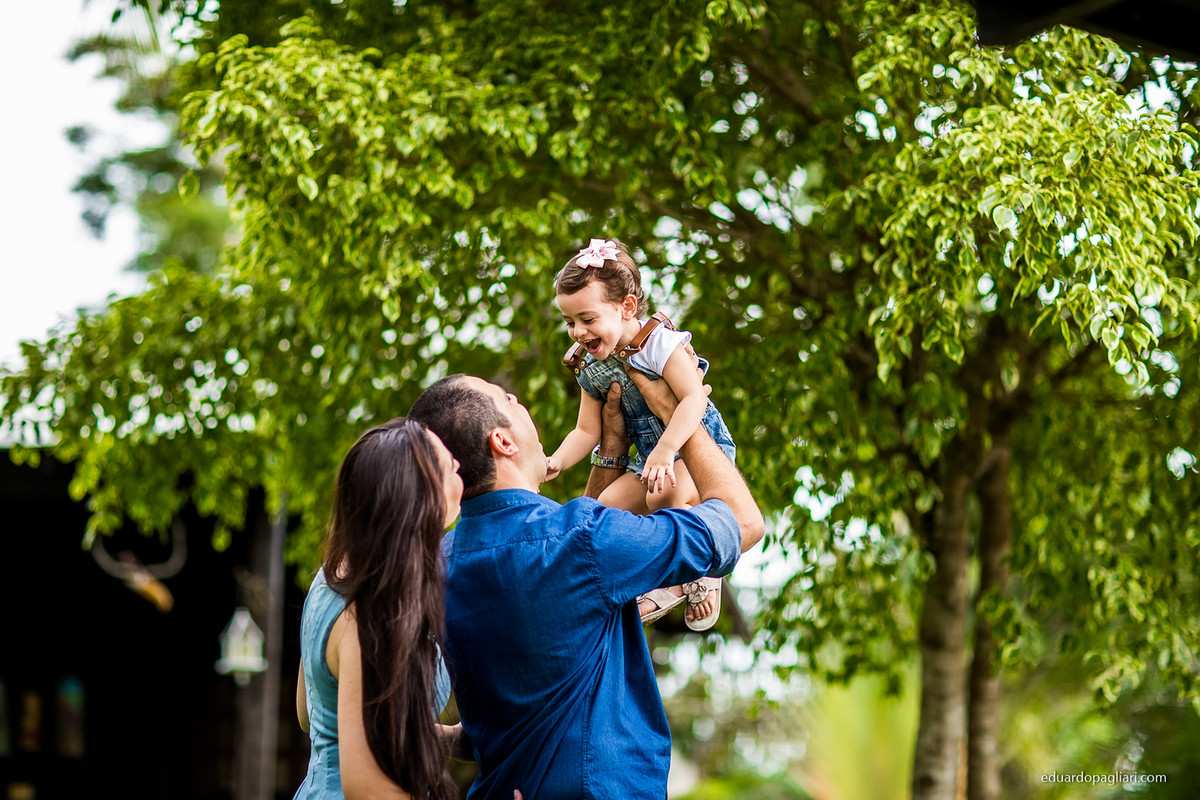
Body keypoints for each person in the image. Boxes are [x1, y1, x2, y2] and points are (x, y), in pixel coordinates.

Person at [407, 365, 765, 800]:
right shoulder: (581, 541)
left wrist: (611, 449)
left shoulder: (435, 567)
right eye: (509, 400)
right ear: (503, 442)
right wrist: (679, 416)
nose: (520, 404)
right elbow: (741, 522)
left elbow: (571, 588)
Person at [546, 237, 737, 630]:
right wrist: (556, 461)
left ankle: (699, 574)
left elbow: (694, 399)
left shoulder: (659, 344)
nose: (578, 332)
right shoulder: (591, 366)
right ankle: (639, 574)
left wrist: (666, 449)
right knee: (606, 509)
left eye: (587, 319)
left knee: (662, 495)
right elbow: (586, 430)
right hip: (650, 458)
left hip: (692, 448)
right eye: (569, 322)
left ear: (627, 307)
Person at [293, 417, 465, 800]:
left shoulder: (333, 576)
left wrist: (449, 739)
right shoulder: (370, 614)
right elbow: (366, 788)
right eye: (446, 466)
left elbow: (312, 714)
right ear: (417, 500)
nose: (458, 465)